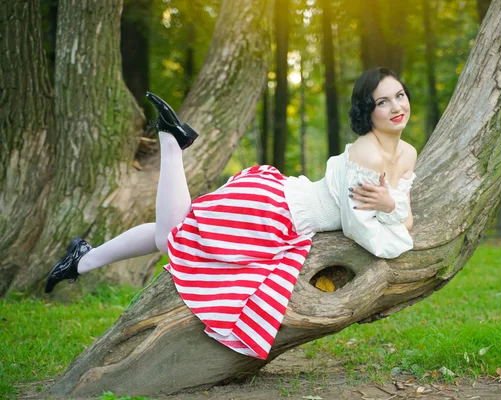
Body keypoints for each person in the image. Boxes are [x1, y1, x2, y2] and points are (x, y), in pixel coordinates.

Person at [44, 66, 417, 360]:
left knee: (174, 230)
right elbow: (358, 227)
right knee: (169, 236)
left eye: (399, 95)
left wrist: (390, 207)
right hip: (275, 212)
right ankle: (171, 142)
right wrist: (393, 218)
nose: (396, 107)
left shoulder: (408, 153)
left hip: (281, 206)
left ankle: (83, 260)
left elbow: (404, 211)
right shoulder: (366, 154)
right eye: (383, 102)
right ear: (368, 112)